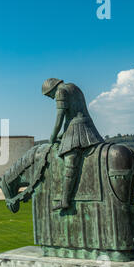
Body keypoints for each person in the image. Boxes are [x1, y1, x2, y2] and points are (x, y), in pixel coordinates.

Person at [42, 78, 104, 210]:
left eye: (49, 95)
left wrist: (53, 136)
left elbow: (60, 117)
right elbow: (74, 112)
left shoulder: (60, 91)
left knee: (70, 161)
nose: (51, 98)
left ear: (52, 89)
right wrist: (62, 134)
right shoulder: (74, 87)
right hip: (86, 125)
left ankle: (65, 200)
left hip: (78, 129)